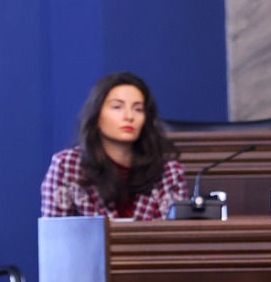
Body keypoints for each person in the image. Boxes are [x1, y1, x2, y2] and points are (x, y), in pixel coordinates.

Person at [39, 72, 187, 220]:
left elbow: (177, 232)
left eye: (138, 109)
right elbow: (55, 231)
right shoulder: (67, 166)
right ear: (96, 114)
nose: (129, 116)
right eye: (117, 107)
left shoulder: (168, 172)